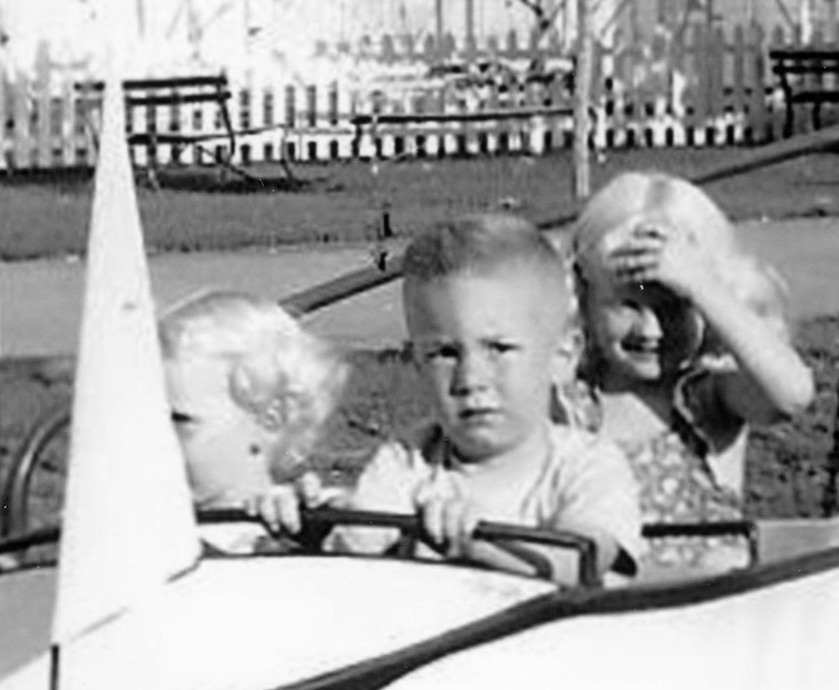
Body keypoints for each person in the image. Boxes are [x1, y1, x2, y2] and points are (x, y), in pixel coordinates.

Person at [339, 213, 642, 583]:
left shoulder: (586, 466)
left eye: (498, 348)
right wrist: (306, 526)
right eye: (444, 353)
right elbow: (349, 558)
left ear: (562, 356)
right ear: (417, 362)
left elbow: (582, 558)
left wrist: (480, 545)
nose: (471, 380)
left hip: (559, 637)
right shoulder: (407, 462)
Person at [569, 171, 814, 575]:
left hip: (705, 611)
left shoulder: (709, 394)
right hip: (602, 617)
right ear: (585, 295)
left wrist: (701, 283)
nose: (650, 330)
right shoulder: (571, 399)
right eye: (628, 305)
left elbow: (792, 395)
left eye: (673, 308)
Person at [159, 290, 349, 550]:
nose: (155, 439)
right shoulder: (129, 527)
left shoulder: (307, 527)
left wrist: (321, 524)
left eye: (181, 422)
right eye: (145, 420)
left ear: (270, 421)